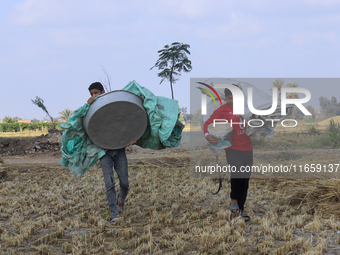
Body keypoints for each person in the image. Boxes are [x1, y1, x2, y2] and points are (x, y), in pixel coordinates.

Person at [203, 86, 253, 221]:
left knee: (245, 179)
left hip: (247, 148)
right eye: (229, 98)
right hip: (233, 148)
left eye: (235, 98)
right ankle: (233, 200)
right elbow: (208, 123)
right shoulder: (222, 110)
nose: (232, 101)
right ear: (226, 98)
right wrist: (207, 135)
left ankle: (241, 209)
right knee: (238, 173)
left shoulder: (248, 108)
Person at [87, 82, 131, 223]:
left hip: (119, 149)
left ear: (103, 92)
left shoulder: (113, 107)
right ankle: (115, 214)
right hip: (103, 151)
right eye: (92, 94)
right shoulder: (90, 109)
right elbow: (86, 125)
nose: (94, 96)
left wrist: (132, 137)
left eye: (96, 93)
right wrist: (87, 106)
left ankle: (121, 199)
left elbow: (126, 122)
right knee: (109, 183)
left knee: (124, 183)